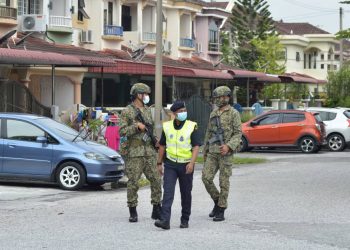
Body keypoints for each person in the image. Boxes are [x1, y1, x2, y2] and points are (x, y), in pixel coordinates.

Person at [119, 83, 162, 223]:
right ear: (138, 94)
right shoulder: (127, 111)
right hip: (135, 153)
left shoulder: (147, 110)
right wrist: (136, 127)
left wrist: (156, 141)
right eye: (145, 94)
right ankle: (133, 211)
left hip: (149, 152)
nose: (147, 96)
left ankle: (156, 208)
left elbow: (150, 129)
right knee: (133, 182)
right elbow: (121, 131)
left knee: (156, 179)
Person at [154, 101, 200, 230]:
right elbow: (162, 145)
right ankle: (165, 221)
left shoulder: (192, 126)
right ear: (174, 114)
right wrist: (159, 163)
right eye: (180, 111)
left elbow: (196, 146)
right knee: (168, 192)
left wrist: (192, 163)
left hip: (186, 165)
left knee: (186, 193)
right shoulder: (167, 126)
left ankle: (185, 219)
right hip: (170, 164)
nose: (183, 113)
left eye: (184, 110)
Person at [202, 86, 242, 222]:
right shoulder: (214, 113)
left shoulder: (233, 113)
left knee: (223, 182)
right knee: (206, 178)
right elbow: (209, 131)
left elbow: (238, 133)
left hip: (226, 153)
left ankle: (221, 208)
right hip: (213, 151)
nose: (217, 100)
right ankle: (217, 200)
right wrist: (205, 149)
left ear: (226, 97)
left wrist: (229, 146)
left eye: (219, 98)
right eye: (216, 98)